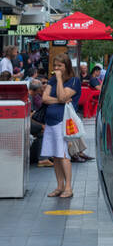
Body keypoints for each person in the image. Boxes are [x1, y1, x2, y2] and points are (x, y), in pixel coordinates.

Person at [39, 56, 81, 199]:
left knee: (63, 155)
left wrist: (59, 80)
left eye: (60, 66)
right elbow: (44, 98)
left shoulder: (74, 81)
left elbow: (63, 97)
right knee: (55, 156)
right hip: (50, 121)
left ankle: (68, 187)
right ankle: (59, 186)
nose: (56, 69)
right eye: (55, 66)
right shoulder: (51, 80)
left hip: (62, 122)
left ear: (67, 66)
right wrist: (58, 100)